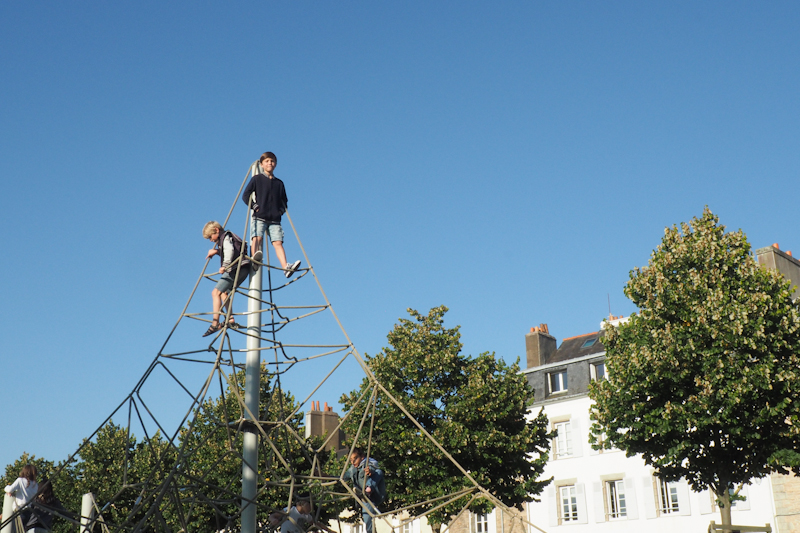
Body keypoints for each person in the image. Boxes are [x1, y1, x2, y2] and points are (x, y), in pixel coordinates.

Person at [241, 152, 301, 278]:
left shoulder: (279, 183)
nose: (270, 163)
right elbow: (245, 195)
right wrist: (254, 206)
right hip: (260, 216)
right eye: (267, 161)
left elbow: (284, 201)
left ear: (275, 164)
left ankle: (286, 267)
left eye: (272, 161)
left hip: (274, 219)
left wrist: (280, 211)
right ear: (262, 164)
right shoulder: (257, 179)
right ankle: (255, 260)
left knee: (278, 242)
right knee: (257, 237)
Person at [201, 221, 251, 337]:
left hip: (234, 269)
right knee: (224, 293)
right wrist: (217, 251)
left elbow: (229, 250)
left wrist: (225, 265)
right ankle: (230, 319)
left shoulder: (225, 237)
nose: (211, 240)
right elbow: (231, 249)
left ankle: (215, 323)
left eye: (210, 237)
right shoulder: (227, 238)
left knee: (215, 293)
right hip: (242, 268)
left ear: (216, 230)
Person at [342, 448, 386, 533]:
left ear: (362, 457)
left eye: (355, 459)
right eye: (351, 460)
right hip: (366, 498)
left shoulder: (368, 463)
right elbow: (342, 477)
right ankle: (362, 492)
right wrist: (325, 475)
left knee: (379, 472)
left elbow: (374, 468)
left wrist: (370, 471)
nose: (353, 462)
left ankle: (368, 488)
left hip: (375, 493)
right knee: (367, 520)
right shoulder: (352, 469)